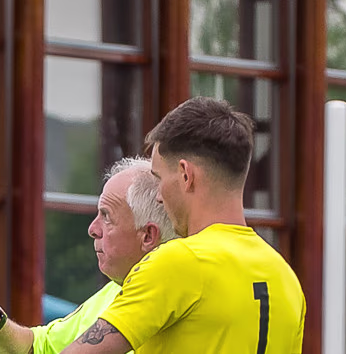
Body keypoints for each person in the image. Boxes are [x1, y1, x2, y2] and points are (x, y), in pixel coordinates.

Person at [61, 98, 306, 353]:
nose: (158, 196)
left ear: (185, 175)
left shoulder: (176, 262)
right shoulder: (285, 278)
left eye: (158, 178)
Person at [0, 158, 180, 353]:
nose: (92, 229)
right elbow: (38, 347)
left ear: (148, 236)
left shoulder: (179, 294)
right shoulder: (115, 290)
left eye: (107, 217)